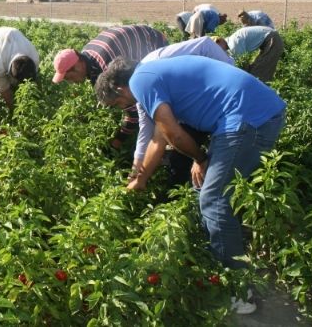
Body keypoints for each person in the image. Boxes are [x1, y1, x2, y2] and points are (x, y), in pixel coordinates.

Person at [95, 55, 286, 314]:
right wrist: (140, 179)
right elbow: (158, 139)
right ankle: (218, 255)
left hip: (246, 119)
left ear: (119, 88)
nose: (122, 107)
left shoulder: (141, 81)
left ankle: (240, 290)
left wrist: (200, 157)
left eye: (117, 103)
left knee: (214, 200)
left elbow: (174, 134)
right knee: (203, 186)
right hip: (248, 115)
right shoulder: (151, 75)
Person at [133, 37, 235, 185]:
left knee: (212, 162)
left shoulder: (157, 61)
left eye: (118, 102)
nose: (123, 107)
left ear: (122, 89)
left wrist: (229, 71)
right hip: (194, 104)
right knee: (179, 157)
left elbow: (205, 44)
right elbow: (148, 133)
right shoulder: (140, 94)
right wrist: (136, 172)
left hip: (218, 96)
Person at [52, 25, 168, 149]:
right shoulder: (87, 56)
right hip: (135, 39)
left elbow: (133, 110)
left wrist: (118, 140)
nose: (70, 82)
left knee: (153, 98)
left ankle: (163, 139)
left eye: (69, 77)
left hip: (153, 42)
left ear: (78, 65)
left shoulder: (107, 67)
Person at [213, 26, 284, 83]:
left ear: (220, 41)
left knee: (257, 75)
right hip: (269, 39)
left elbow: (242, 64)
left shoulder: (234, 44)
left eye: (217, 47)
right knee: (257, 71)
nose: (219, 50)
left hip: (272, 39)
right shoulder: (231, 42)